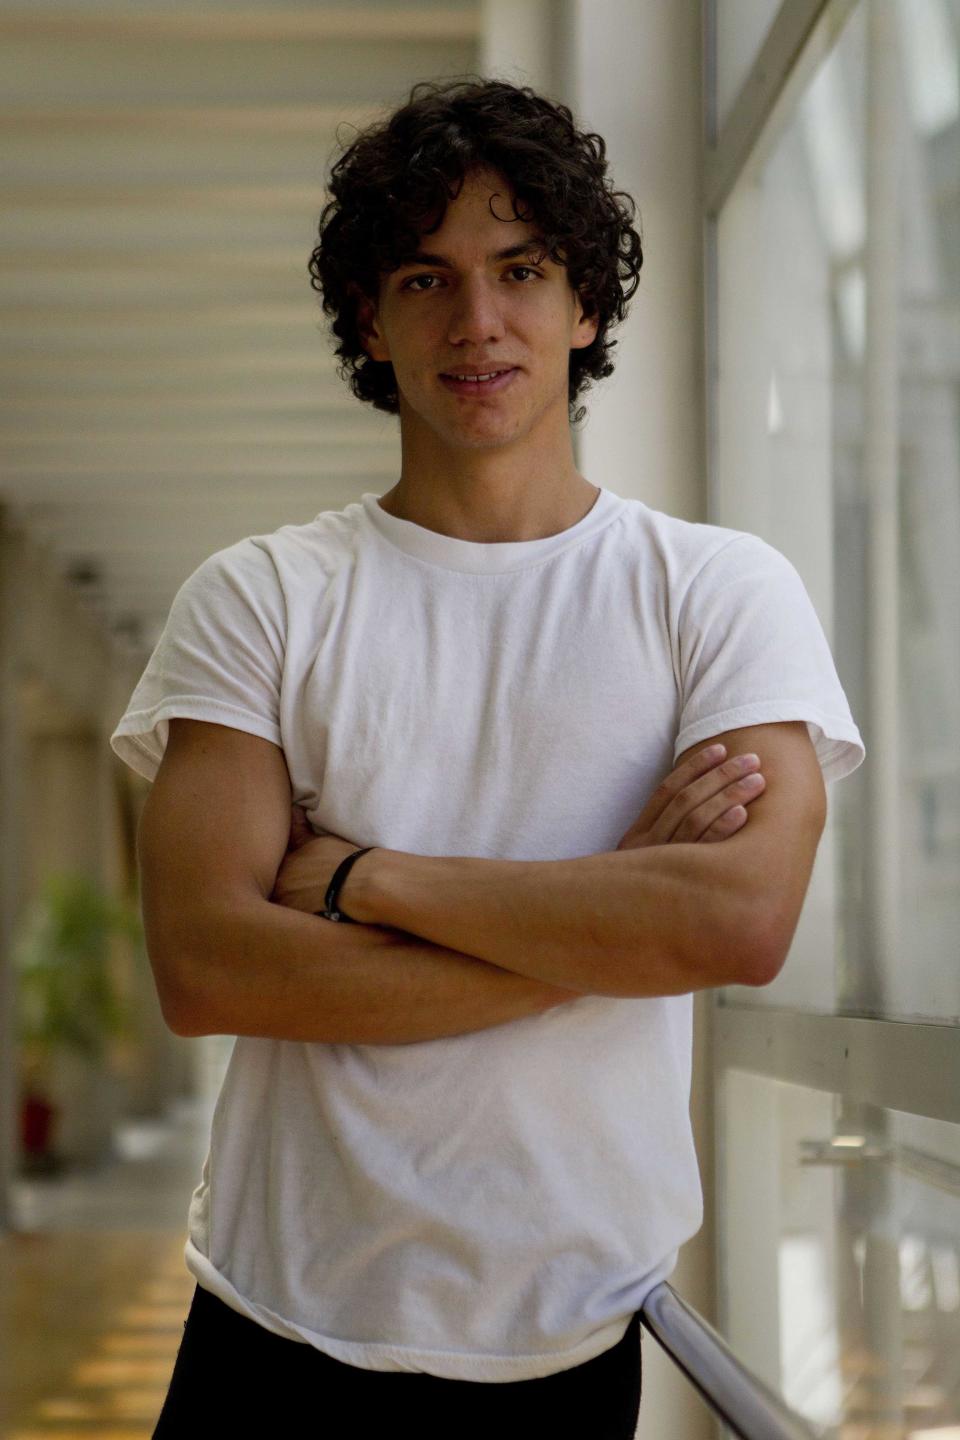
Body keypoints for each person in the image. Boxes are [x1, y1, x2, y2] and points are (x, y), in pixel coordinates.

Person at [110, 77, 865, 1438]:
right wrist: (613, 914)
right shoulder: (262, 596)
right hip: (275, 1328)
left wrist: (365, 882)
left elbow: (740, 923)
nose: (477, 321)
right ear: (368, 319)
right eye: (425, 276)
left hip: (564, 1348)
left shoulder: (718, 591)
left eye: (521, 270)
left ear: (584, 309)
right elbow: (208, 966)